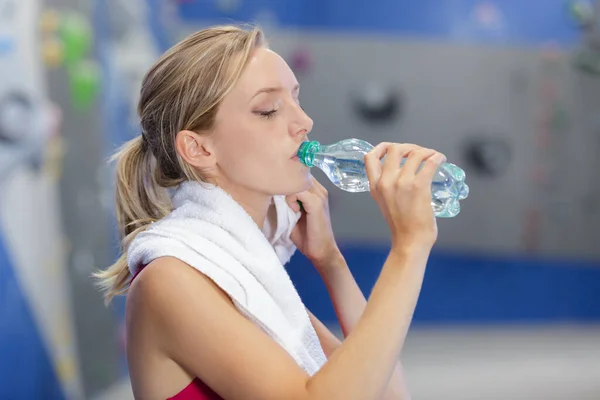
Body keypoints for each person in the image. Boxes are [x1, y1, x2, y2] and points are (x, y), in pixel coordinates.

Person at [94, 24, 446, 400]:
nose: (304, 122)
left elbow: (386, 393)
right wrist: (408, 247)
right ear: (198, 149)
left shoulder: (252, 283)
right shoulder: (171, 281)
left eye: (297, 99)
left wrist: (331, 263)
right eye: (269, 110)